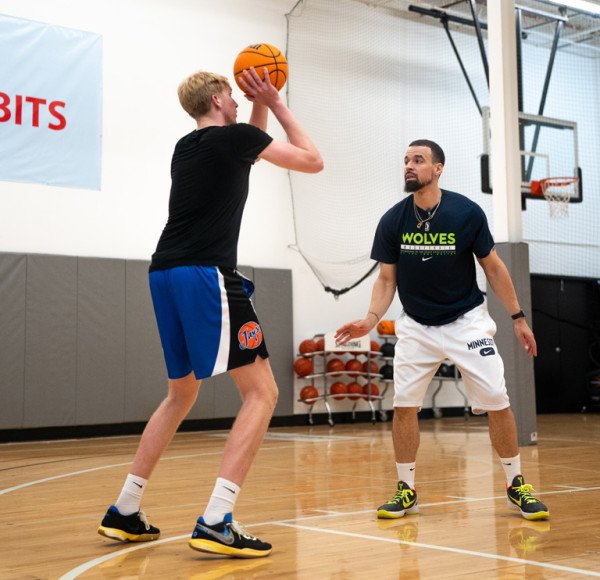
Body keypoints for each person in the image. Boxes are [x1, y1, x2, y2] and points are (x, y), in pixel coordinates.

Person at [97, 67, 323, 558]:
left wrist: (257, 107)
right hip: (206, 274)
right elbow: (312, 160)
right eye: (235, 98)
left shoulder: (188, 146)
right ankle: (218, 518)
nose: (241, 104)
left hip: (164, 273)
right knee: (263, 393)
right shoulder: (235, 138)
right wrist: (277, 101)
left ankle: (125, 509)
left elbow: (249, 141)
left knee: (181, 392)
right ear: (221, 98)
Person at [335, 139, 549, 523]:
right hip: (416, 325)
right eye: (405, 160)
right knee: (404, 406)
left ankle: (516, 484)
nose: (409, 166)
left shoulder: (466, 212)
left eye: (418, 160)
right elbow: (386, 280)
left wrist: (517, 316)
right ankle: (406, 490)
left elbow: (494, 268)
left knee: (497, 399)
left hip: (466, 320)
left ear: (438, 168)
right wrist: (369, 318)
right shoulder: (392, 220)